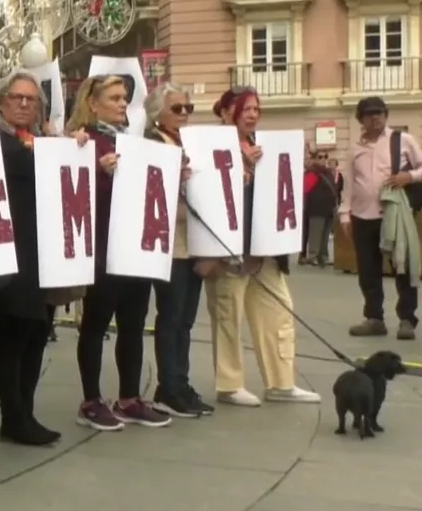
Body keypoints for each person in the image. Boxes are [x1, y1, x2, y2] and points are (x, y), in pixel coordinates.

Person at [206, 87, 318, 408]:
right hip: (231, 250)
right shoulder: (212, 146)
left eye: (256, 109)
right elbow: (213, 195)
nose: (253, 115)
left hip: (265, 250)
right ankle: (229, 384)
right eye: (245, 109)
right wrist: (241, 167)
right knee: (228, 316)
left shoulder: (264, 145)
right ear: (226, 112)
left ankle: (281, 382)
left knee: (279, 312)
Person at [68, 76, 169, 431]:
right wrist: (97, 171)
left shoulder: (132, 142)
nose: (122, 103)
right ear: (92, 103)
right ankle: (91, 401)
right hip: (102, 249)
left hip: (134, 247)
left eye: (124, 97)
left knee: (133, 323)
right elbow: (71, 191)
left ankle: (129, 398)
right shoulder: (82, 141)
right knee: (96, 323)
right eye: (113, 98)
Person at [0, 71, 62, 445]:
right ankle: (12, 417)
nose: (23, 104)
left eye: (31, 99)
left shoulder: (41, 142)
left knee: (36, 335)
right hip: (9, 252)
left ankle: (26, 413)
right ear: (1, 101)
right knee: (13, 335)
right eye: (16, 97)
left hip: (42, 254)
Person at [143, 83, 212, 419]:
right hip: (169, 245)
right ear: (158, 112)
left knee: (185, 320)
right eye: (177, 108)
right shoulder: (152, 143)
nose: (184, 113)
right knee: (171, 318)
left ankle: (179, 384)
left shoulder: (191, 142)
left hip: (194, 241)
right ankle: (169, 388)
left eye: (188, 107)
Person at [341, 96, 422, 338]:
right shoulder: (355, 148)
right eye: (370, 114)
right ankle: (374, 318)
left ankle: (407, 319)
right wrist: (344, 215)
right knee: (368, 270)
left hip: (394, 214)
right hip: (362, 215)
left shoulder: (403, 140)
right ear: (361, 119)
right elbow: (349, 184)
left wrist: (408, 177)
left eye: (379, 113)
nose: (376, 118)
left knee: (402, 266)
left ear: (386, 115)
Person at [302, 150, 341, 266]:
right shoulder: (312, 173)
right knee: (316, 233)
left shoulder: (329, 173)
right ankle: (313, 255)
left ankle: (323, 256)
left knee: (325, 235)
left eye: (325, 157)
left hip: (329, 208)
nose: (323, 159)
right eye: (320, 157)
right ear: (315, 159)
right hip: (316, 209)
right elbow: (305, 190)